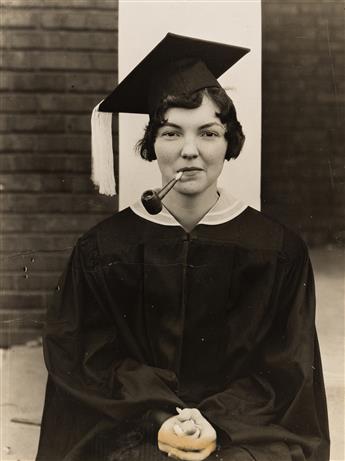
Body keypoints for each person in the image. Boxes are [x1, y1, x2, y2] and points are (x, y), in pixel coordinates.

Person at [36, 33, 330, 461]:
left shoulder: (278, 251)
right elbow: (84, 360)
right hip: (133, 428)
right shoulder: (102, 249)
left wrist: (217, 423)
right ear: (151, 143)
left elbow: (288, 370)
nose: (189, 151)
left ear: (230, 143)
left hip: (242, 431)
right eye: (172, 132)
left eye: (208, 133)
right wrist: (161, 421)